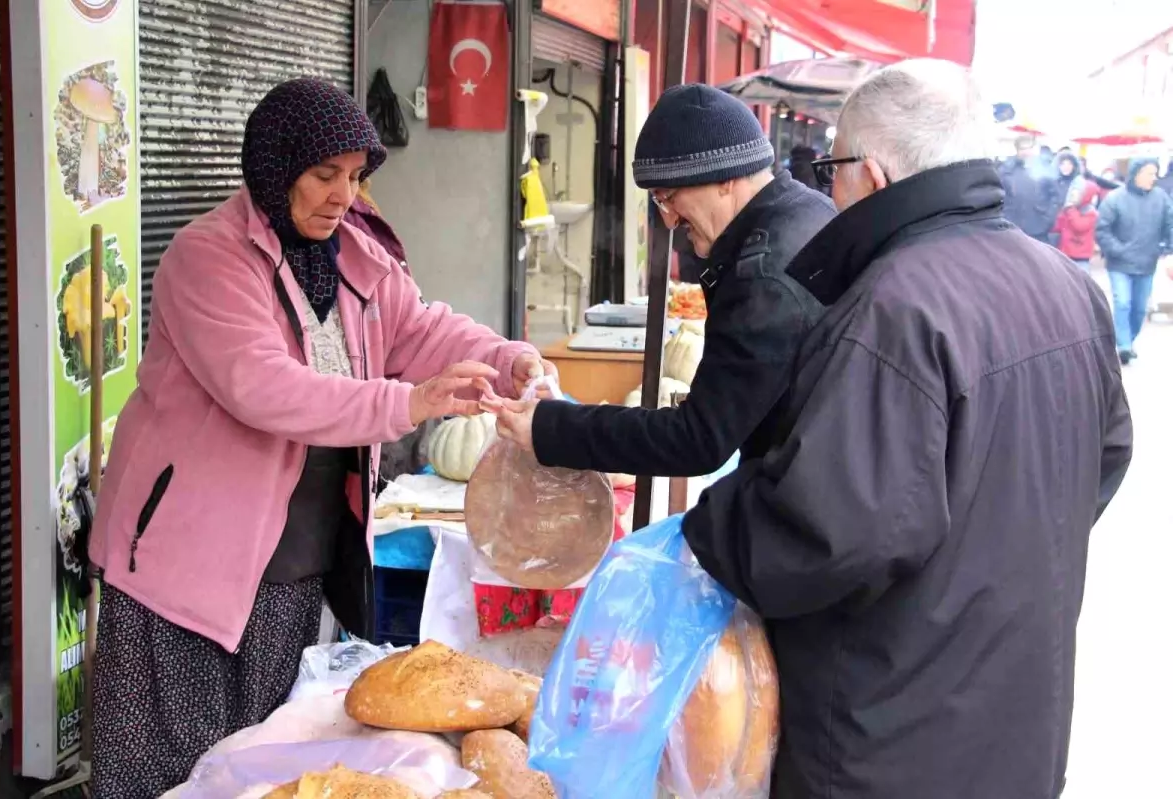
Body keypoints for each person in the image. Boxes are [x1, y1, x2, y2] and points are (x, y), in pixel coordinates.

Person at [87, 78, 553, 798]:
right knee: (168, 774)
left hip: (296, 565)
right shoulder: (206, 258)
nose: (343, 194)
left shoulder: (355, 255)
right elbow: (263, 386)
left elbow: (421, 326)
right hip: (188, 563)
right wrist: (410, 401)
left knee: (265, 767)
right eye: (323, 174)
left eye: (356, 176)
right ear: (276, 169)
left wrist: (505, 356)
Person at [680, 59, 1132, 798]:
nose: (828, 188)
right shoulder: (1065, 283)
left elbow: (821, 534)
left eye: (832, 167)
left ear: (874, 175)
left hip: (887, 739)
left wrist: (714, 520)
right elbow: (1103, 460)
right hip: (1020, 715)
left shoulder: (893, 309)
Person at [483, 84, 835, 479]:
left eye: (669, 197)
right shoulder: (806, 210)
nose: (668, 220)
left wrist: (549, 428)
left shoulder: (765, 277)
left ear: (724, 178)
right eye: (658, 202)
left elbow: (697, 439)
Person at [1095, 158, 1173, 363]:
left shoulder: (1161, 199)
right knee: (1122, 302)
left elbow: (1170, 225)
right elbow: (1102, 230)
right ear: (1136, 174)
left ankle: (1127, 340)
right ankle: (1123, 345)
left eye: (1155, 173)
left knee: (1139, 308)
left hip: (1147, 262)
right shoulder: (1115, 198)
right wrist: (1118, 250)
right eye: (1149, 173)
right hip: (1119, 263)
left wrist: (1169, 251)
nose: (1153, 178)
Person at [998, 134, 1058, 241]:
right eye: (1022, 148)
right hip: (1012, 227)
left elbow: (1055, 197)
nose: (1025, 152)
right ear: (1017, 150)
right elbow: (999, 196)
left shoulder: (1046, 169)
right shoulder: (1007, 170)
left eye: (1028, 148)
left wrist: (1048, 219)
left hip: (1038, 228)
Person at [1051, 182, 1100, 269]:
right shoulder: (1070, 210)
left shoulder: (1091, 213)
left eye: (1077, 194)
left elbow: (1079, 226)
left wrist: (1070, 210)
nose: (1074, 197)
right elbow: (1058, 226)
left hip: (1081, 256)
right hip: (1065, 252)